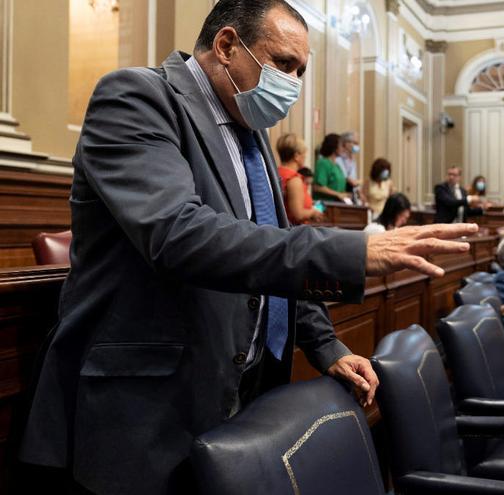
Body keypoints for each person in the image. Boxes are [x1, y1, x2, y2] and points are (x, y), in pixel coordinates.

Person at [16, 2, 478, 493]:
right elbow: (180, 235)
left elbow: (267, 244)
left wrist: (323, 343)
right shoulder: (136, 97)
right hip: (149, 403)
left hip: (242, 389)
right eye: (283, 64)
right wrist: (351, 252)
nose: (294, 83)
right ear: (227, 45)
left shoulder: (251, 132)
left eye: (301, 70)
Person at [275, 133, 322, 224]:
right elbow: (298, 214)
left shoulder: (276, 172)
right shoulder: (294, 180)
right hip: (295, 231)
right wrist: (313, 212)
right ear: (296, 156)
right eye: (304, 154)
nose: (305, 157)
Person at [312, 133, 349, 202]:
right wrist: (338, 194)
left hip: (337, 205)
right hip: (324, 206)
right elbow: (317, 187)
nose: (344, 149)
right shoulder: (323, 163)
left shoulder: (337, 165)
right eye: (342, 146)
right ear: (334, 147)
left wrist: (346, 194)